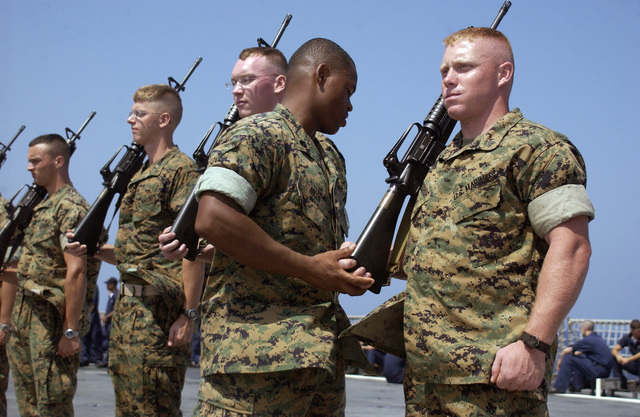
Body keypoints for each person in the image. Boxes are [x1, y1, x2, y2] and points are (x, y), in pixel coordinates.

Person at [350, 27, 594, 416]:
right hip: (426, 376)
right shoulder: (439, 163)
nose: (449, 78)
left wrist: (534, 344)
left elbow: (573, 247)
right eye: (445, 70)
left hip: (495, 375)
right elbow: (439, 254)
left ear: (503, 74)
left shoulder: (538, 149)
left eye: (463, 67)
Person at [190, 38, 373, 416]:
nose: (351, 104)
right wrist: (309, 269)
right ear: (322, 75)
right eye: (347, 89)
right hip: (254, 363)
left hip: (317, 357)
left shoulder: (328, 157)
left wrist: (350, 268)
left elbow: (319, 248)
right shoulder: (256, 135)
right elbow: (213, 217)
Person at [66, 84, 201, 416]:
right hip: (129, 313)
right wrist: (94, 249)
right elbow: (136, 255)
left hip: (159, 314)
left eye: (140, 113)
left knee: (156, 409)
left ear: (164, 120)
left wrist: (189, 315)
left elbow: (192, 247)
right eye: (131, 112)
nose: (130, 119)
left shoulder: (181, 170)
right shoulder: (139, 174)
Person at [158, 46, 288, 262]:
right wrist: (188, 244)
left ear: (279, 83)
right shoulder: (237, 139)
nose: (236, 90)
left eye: (247, 79)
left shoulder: (304, 142)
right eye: (234, 82)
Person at [6, 134, 101, 416]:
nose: (29, 167)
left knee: (52, 404)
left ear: (58, 161)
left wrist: (70, 330)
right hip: (25, 316)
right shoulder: (41, 207)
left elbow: (77, 270)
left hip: (50, 320)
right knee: (29, 405)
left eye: (35, 161)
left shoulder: (70, 208)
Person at [550, 320, 613, 393]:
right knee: (578, 359)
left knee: (568, 358)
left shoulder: (588, 340)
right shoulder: (597, 338)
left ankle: (559, 387)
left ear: (583, 329)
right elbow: (581, 353)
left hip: (598, 370)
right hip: (605, 371)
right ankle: (576, 386)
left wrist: (559, 363)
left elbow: (566, 351)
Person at [611, 319, 640, 389]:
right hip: (635, 365)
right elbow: (615, 349)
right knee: (614, 359)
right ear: (632, 330)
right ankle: (621, 384)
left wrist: (628, 359)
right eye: (638, 331)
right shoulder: (627, 338)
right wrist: (618, 356)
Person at [80, 285, 103, 366]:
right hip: (85, 315)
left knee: (94, 338)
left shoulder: (93, 286)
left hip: (91, 316)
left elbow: (93, 304)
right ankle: (84, 358)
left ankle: (96, 358)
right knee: (84, 338)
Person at [99, 276, 118, 368]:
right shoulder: (111, 295)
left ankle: (109, 362)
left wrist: (107, 316)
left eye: (108, 284)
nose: (107, 286)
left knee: (111, 343)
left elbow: (116, 309)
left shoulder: (116, 295)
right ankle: (106, 362)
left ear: (112, 284)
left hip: (112, 323)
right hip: (108, 323)